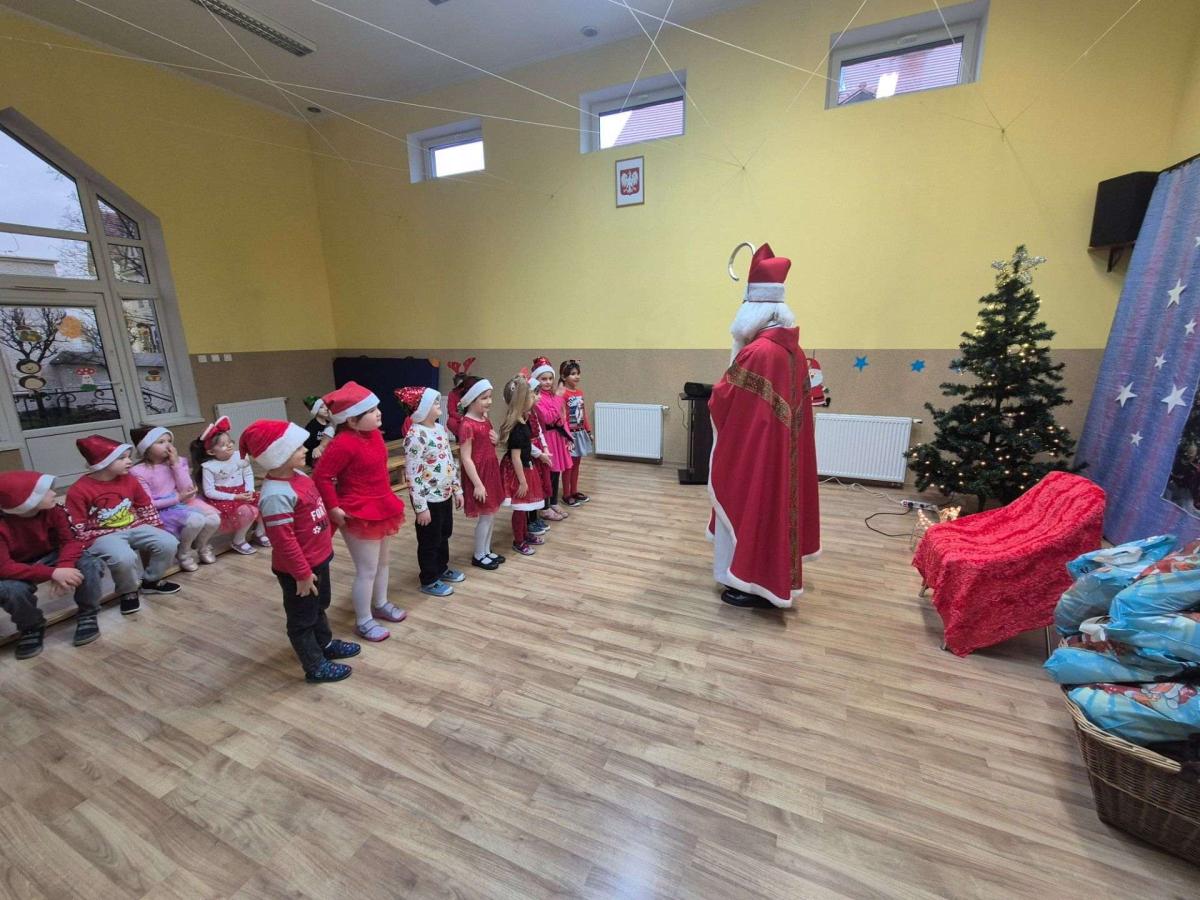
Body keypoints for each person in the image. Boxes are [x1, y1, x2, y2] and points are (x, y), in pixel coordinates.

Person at [708, 243, 820, 609]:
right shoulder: (793, 351)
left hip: (758, 457)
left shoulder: (758, 352)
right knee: (774, 508)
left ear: (752, 309)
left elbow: (723, 399)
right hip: (780, 454)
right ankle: (768, 576)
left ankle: (753, 580)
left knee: (755, 502)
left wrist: (720, 386)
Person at [242, 419, 359, 683]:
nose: (305, 449)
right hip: (299, 571)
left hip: (318, 560)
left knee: (319, 606)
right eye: (297, 447)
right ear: (279, 455)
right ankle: (315, 666)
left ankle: (324, 644)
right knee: (302, 619)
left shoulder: (300, 477)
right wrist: (302, 574)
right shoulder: (275, 495)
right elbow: (284, 542)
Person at [313, 381, 407, 642]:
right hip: (358, 512)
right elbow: (322, 476)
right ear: (352, 421)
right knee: (367, 569)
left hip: (381, 505)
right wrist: (334, 507)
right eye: (371, 411)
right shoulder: (343, 443)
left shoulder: (374, 434)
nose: (379, 413)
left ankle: (381, 603)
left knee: (383, 563)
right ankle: (364, 620)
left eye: (377, 408)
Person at [67, 435, 180, 615]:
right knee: (124, 557)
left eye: (128, 457)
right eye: (122, 458)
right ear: (103, 463)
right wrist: (83, 545)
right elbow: (76, 523)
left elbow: (144, 505)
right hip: (101, 534)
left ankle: (151, 581)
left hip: (134, 526)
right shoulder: (79, 490)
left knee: (169, 542)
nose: (129, 461)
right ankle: (128, 592)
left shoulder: (129, 479)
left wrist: (156, 528)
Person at [0, 471, 106, 658]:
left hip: (54, 555)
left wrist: (65, 566)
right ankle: (31, 626)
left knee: (90, 564)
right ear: (26, 501)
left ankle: (88, 612)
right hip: (18, 565)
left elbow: (71, 541)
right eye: (46, 491)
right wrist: (52, 574)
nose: (54, 493)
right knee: (9, 589)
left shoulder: (55, 510)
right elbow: (5, 568)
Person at [397, 386, 464, 596]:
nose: (438, 404)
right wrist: (420, 508)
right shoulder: (415, 436)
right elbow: (413, 474)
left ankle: (441, 568)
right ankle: (429, 579)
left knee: (444, 534)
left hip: (444, 494)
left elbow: (449, 462)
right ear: (422, 409)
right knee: (429, 540)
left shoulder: (440, 429)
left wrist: (457, 489)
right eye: (434, 402)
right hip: (428, 499)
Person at [131, 426, 221, 572]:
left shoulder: (178, 462)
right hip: (162, 509)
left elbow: (187, 489)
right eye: (161, 442)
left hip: (183, 502)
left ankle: (201, 546)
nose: (168, 445)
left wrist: (175, 464)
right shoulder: (138, 471)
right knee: (196, 520)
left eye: (169, 441)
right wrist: (177, 498)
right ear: (146, 448)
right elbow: (148, 504)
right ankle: (184, 553)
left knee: (213, 519)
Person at [192, 416, 269, 555]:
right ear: (211, 452)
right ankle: (238, 540)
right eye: (223, 444)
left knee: (265, 502)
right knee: (248, 511)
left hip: (243, 492)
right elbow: (209, 492)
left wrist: (250, 490)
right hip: (224, 498)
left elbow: (248, 474)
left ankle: (259, 533)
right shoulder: (209, 467)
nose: (229, 445)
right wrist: (234, 497)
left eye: (230, 442)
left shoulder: (240, 456)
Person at [456, 375, 505, 570]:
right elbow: (466, 457)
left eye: (490, 397)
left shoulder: (485, 419)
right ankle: (478, 554)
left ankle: (486, 550)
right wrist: (477, 484)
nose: (489, 401)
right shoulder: (467, 425)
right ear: (471, 400)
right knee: (485, 516)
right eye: (484, 398)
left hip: (490, 470)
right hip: (479, 475)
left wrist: (496, 439)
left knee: (491, 514)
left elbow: (489, 444)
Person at [499, 375, 546, 556]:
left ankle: (524, 533)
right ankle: (518, 540)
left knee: (525, 506)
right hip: (518, 471)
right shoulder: (517, 427)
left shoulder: (524, 420)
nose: (535, 397)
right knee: (520, 508)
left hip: (526, 466)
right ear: (521, 401)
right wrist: (522, 481)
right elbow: (515, 457)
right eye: (531, 395)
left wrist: (540, 455)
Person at [531, 356, 574, 521]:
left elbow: (562, 418)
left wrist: (568, 437)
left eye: (550, 378)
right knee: (547, 473)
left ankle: (553, 501)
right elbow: (548, 418)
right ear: (537, 380)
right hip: (546, 439)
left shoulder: (553, 395)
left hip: (557, 438)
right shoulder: (537, 398)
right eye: (544, 379)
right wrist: (558, 397)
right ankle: (545, 506)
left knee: (556, 472)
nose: (548, 382)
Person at [558, 359, 593, 507]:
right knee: (568, 465)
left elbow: (583, 414)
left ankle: (574, 491)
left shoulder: (579, 393)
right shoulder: (562, 394)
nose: (577, 376)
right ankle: (566, 494)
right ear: (564, 376)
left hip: (579, 433)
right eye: (573, 374)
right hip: (569, 435)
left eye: (578, 373)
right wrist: (567, 436)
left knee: (577, 464)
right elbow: (562, 417)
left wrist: (588, 430)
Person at [445, 357, 476, 441]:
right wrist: (461, 418)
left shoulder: (470, 392)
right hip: (459, 419)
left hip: (470, 417)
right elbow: (451, 411)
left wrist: (468, 417)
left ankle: (471, 438)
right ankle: (460, 437)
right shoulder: (452, 394)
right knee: (451, 422)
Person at [303, 396, 334, 468]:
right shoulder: (312, 426)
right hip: (315, 458)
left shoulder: (329, 424)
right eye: (321, 407)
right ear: (315, 410)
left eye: (326, 406)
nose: (326, 409)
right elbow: (307, 445)